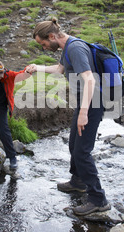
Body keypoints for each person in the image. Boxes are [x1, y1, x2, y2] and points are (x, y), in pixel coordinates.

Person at [27, 18, 111, 216]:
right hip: (85, 101)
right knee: (74, 144)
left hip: (93, 102)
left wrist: (83, 113)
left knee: (82, 152)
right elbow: (59, 70)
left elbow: (90, 80)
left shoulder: (75, 48)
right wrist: (37, 68)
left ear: (51, 36)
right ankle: (78, 182)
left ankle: (98, 200)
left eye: (43, 43)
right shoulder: (66, 48)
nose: (44, 47)